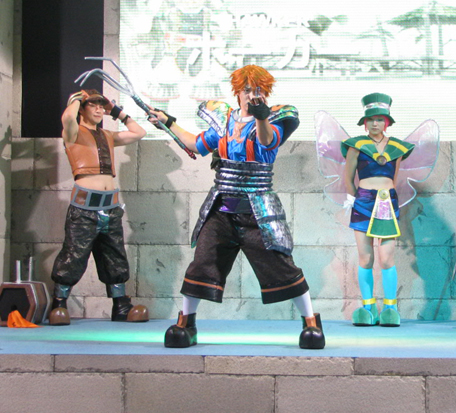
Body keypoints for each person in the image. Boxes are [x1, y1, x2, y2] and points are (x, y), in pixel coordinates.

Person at [149, 65, 325, 349]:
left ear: (265, 93)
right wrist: (168, 122)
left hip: (258, 210)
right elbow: (195, 144)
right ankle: (186, 323)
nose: (251, 94)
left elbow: (267, 141)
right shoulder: (224, 121)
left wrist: (261, 116)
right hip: (221, 208)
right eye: (246, 89)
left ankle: (311, 322)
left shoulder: (275, 119)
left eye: (258, 90)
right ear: (237, 92)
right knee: (202, 263)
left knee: (281, 265)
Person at [49, 89, 149, 325]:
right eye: (93, 105)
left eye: (101, 106)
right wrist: (76, 99)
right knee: (73, 255)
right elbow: (67, 118)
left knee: (115, 256)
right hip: (84, 209)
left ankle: (121, 305)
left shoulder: (107, 135)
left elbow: (139, 132)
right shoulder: (73, 132)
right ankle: (59, 303)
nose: (98, 109)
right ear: (82, 108)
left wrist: (117, 112)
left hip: (110, 209)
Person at [341, 93, 414, 327]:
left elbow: (394, 177)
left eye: (380, 119)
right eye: (371, 119)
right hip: (363, 201)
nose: (375, 123)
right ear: (365, 122)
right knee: (365, 258)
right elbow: (348, 178)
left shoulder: (397, 148)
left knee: (386, 257)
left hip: (387, 202)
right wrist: (356, 197)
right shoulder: (356, 146)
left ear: (387, 122)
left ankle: (390, 308)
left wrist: (386, 197)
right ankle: (368, 307)